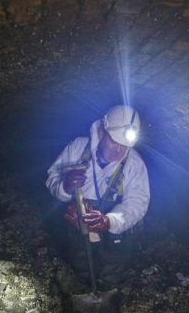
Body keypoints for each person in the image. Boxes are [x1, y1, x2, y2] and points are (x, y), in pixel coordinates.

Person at [46, 105, 150, 287]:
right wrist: (65, 186)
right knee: (80, 264)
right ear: (102, 130)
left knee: (112, 269)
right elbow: (52, 180)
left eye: (124, 146)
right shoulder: (78, 148)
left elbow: (138, 203)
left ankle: (107, 292)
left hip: (115, 235)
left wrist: (110, 220)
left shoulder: (134, 164)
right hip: (78, 224)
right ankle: (84, 290)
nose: (118, 150)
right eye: (113, 141)